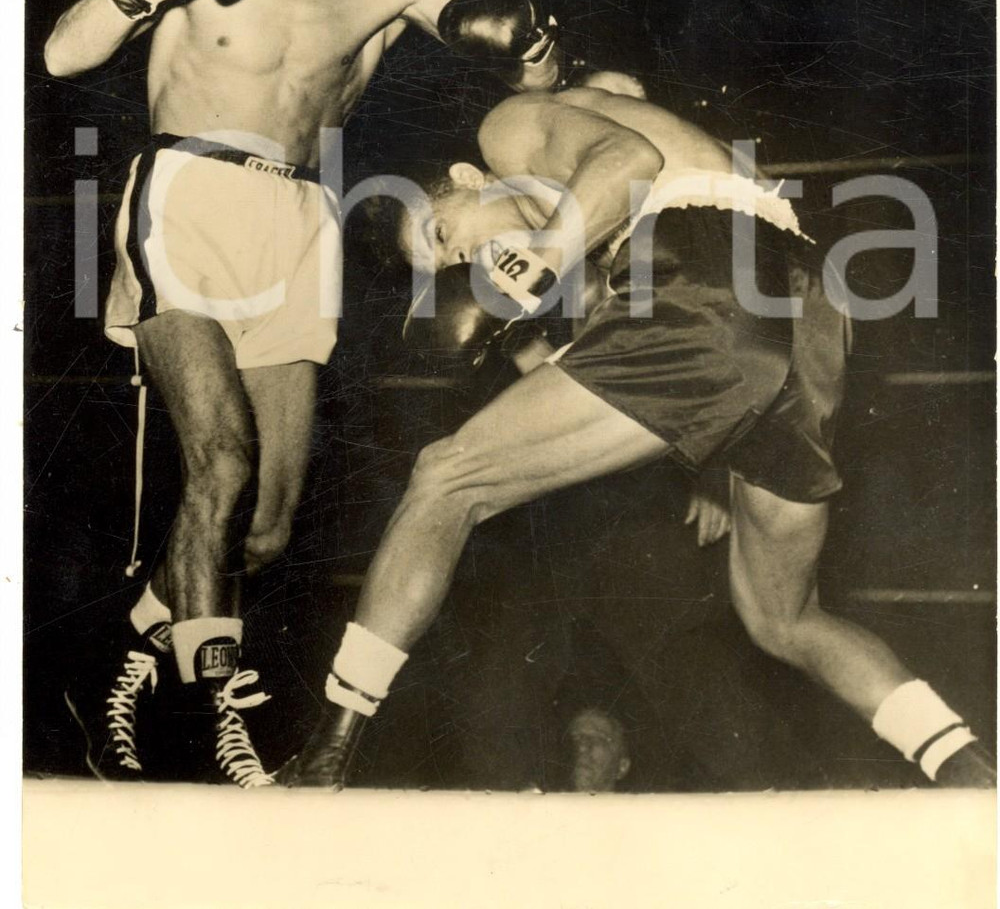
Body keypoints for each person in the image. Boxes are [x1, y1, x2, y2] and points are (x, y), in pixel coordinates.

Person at [46, 0, 562, 786]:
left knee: (267, 525)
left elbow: (529, 70)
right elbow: (65, 53)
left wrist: (532, 43)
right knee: (221, 462)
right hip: (188, 194)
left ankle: (121, 652)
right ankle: (220, 724)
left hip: (299, 219)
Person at [278, 83, 995, 790]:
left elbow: (630, 159)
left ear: (468, 178)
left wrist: (544, 260)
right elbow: (662, 365)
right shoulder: (586, 232)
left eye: (444, 233)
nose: (467, 260)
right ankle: (966, 770)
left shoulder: (507, 130)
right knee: (782, 617)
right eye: (451, 269)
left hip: (710, 273)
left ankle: (327, 752)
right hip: (808, 308)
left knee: (446, 476)